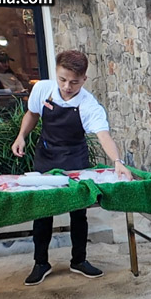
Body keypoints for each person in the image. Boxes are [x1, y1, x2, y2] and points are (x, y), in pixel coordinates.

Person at [11, 50, 133, 286]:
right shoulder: (42, 89)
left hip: (75, 159)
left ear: (84, 80)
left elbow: (103, 135)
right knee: (42, 211)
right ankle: (40, 263)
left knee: (79, 212)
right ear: (56, 74)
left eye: (74, 82)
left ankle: (79, 260)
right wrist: (21, 136)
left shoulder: (89, 105)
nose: (67, 86)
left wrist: (118, 161)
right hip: (46, 157)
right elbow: (32, 114)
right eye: (63, 79)